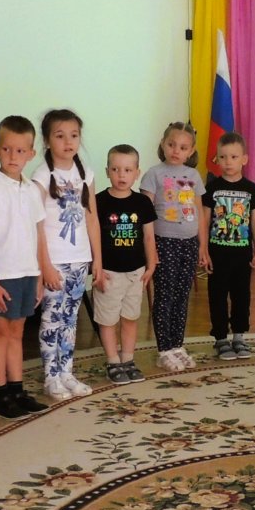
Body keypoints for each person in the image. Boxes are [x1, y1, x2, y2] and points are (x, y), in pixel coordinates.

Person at [0, 116, 49, 417]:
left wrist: (40, 276)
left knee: (18, 333)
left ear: (31, 154)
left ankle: (17, 389)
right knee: (1, 332)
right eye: (7, 149)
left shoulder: (31, 189)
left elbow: (39, 234)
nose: (13, 157)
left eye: (20, 151)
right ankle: (0, 393)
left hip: (27, 272)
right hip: (1, 274)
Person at [32, 108, 100, 397]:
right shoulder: (40, 176)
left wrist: (98, 260)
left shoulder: (85, 174)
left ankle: (66, 373)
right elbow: (36, 226)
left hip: (79, 259)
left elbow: (92, 219)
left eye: (74, 135)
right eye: (60, 136)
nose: (68, 141)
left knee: (71, 319)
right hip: (54, 261)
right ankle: (51, 378)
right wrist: (44, 265)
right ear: (47, 141)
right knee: (52, 319)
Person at [140, 121, 203, 372]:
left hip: (189, 243)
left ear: (191, 151)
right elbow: (145, 214)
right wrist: (150, 250)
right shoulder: (153, 174)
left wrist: (202, 245)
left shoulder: (194, 176)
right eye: (172, 144)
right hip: (164, 242)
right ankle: (164, 349)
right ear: (163, 144)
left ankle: (177, 345)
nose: (176, 150)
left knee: (182, 295)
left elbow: (199, 211)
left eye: (183, 147)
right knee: (164, 295)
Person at [94, 145, 158, 383]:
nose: (121, 175)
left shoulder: (142, 202)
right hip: (108, 273)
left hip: (136, 273)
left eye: (128, 170)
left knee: (130, 318)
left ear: (137, 173)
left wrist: (151, 266)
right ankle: (113, 361)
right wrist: (96, 269)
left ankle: (128, 360)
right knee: (108, 320)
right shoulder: (98, 201)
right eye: (116, 169)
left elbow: (149, 237)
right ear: (107, 171)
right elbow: (92, 237)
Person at [199, 133, 255, 360]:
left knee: (241, 295)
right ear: (217, 159)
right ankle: (220, 338)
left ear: (244, 159)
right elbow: (204, 220)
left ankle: (239, 335)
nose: (228, 162)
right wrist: (203, 249)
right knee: (217, 295)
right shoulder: (211, 188)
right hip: (217, 254)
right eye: (223, 157)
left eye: (234, 157)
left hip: (242, 255)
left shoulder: (251, 189)